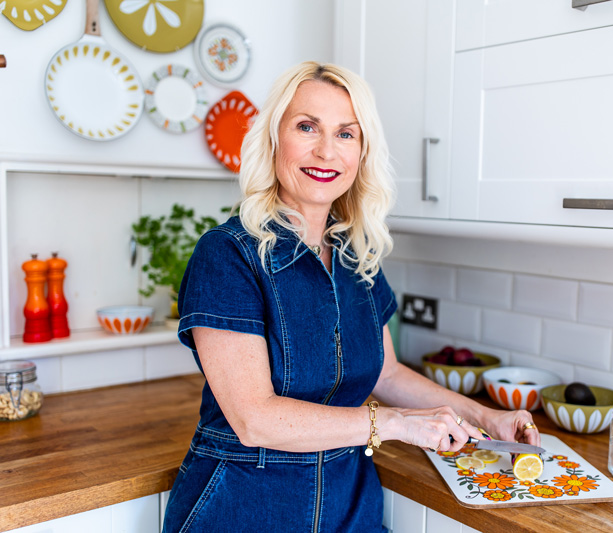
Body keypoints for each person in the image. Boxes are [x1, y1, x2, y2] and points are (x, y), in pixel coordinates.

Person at [162, 61, 540, 533]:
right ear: (274, 139)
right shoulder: (228, 255)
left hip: (349, 508)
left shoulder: (355, 256)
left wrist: (484, 416)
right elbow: (254, 419)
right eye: (306, 127)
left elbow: (386, 371)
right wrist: (396, 424)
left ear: (361, 153)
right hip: (244, 509)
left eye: (346, 134)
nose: (326, 151)